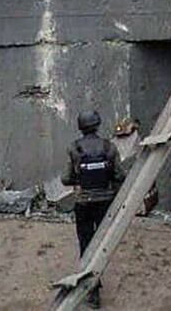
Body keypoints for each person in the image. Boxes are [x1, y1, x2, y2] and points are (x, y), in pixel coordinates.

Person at [61, 110, 124, 309]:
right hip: (105, 202)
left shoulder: (74, 148)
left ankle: (92, 289)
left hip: (83, 203)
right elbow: (119, 175)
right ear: (97, 124)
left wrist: (80, 178)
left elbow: (65, 179)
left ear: (80, 126)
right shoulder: (109, 147)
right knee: (102, 244)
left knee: (86, 244)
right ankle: (97, 279)